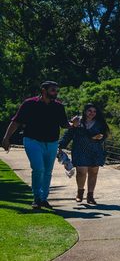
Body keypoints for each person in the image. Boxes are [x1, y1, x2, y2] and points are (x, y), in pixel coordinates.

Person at [2, 81, 80, 209]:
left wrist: (73, 124)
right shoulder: (29, 104)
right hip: (32, 141)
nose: (55, 92)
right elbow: (16, 121)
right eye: (53, 90)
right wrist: (6, 138)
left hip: (52, 142)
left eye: (56, 90)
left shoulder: (58, 107)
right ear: (44, 90)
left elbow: (64, 124)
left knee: (48, 171)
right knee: (38, 168)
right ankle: (37, 198)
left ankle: (43, 199)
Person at [58, 103, 108, 204]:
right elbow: (68, 134)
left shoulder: (99, 123)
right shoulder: (77, 122)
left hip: (95, 151)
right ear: (85, 111)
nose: (92, 113)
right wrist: (61, 146)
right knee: (81, 172)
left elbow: (104, 136)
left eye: (94, 111)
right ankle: (80, 193)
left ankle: (90, 196)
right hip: (79, 150)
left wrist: (98, 138)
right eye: (90, 111)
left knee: (93, 173)